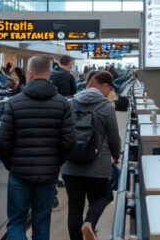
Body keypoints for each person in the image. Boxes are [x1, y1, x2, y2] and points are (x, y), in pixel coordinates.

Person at [0, 55, 75, 240]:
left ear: (29, 74)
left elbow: (3, 140)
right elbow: (69, 141)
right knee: (42, 220)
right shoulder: (62, 104)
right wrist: (56, 162)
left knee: (16, 221)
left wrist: (11, 163)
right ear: (49, 73)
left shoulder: (14, 103)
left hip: (19, 171)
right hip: (48, 173)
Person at [61, 71, 122, 240]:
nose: (109, 93)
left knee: (74, 208)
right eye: (109, 88)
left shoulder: (69, 103)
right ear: (103, 85)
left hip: (70, 166)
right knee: (105, 196)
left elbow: (62, 132)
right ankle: (90, 222)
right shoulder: (106, 107)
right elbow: (114, 138)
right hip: (97, 166)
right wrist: (116, 156)